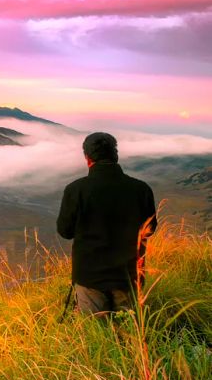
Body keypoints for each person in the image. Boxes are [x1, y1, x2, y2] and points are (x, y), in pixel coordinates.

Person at [57, 132, 157, 315]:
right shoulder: (141, 189)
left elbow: (65, 231)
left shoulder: (75, 190)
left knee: (96, 335)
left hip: (90, 277)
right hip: (129, 276)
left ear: (87, 158)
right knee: (129, 332)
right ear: (115, 156)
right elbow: (149, 230)